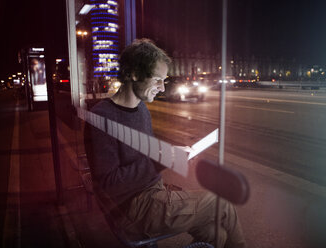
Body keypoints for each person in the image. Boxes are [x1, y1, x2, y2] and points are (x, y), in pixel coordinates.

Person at [84, 39, 246, 248]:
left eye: (164, 80)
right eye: (157, 79)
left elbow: (144, 157)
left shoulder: (141, 109)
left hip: (154, 193)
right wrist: (160, 160)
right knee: (222, 203)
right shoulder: (101, 118)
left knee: (217, 235)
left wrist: (170, 153)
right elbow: (108, 185)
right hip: (132, 208)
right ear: (134, 73)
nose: (162, 87)